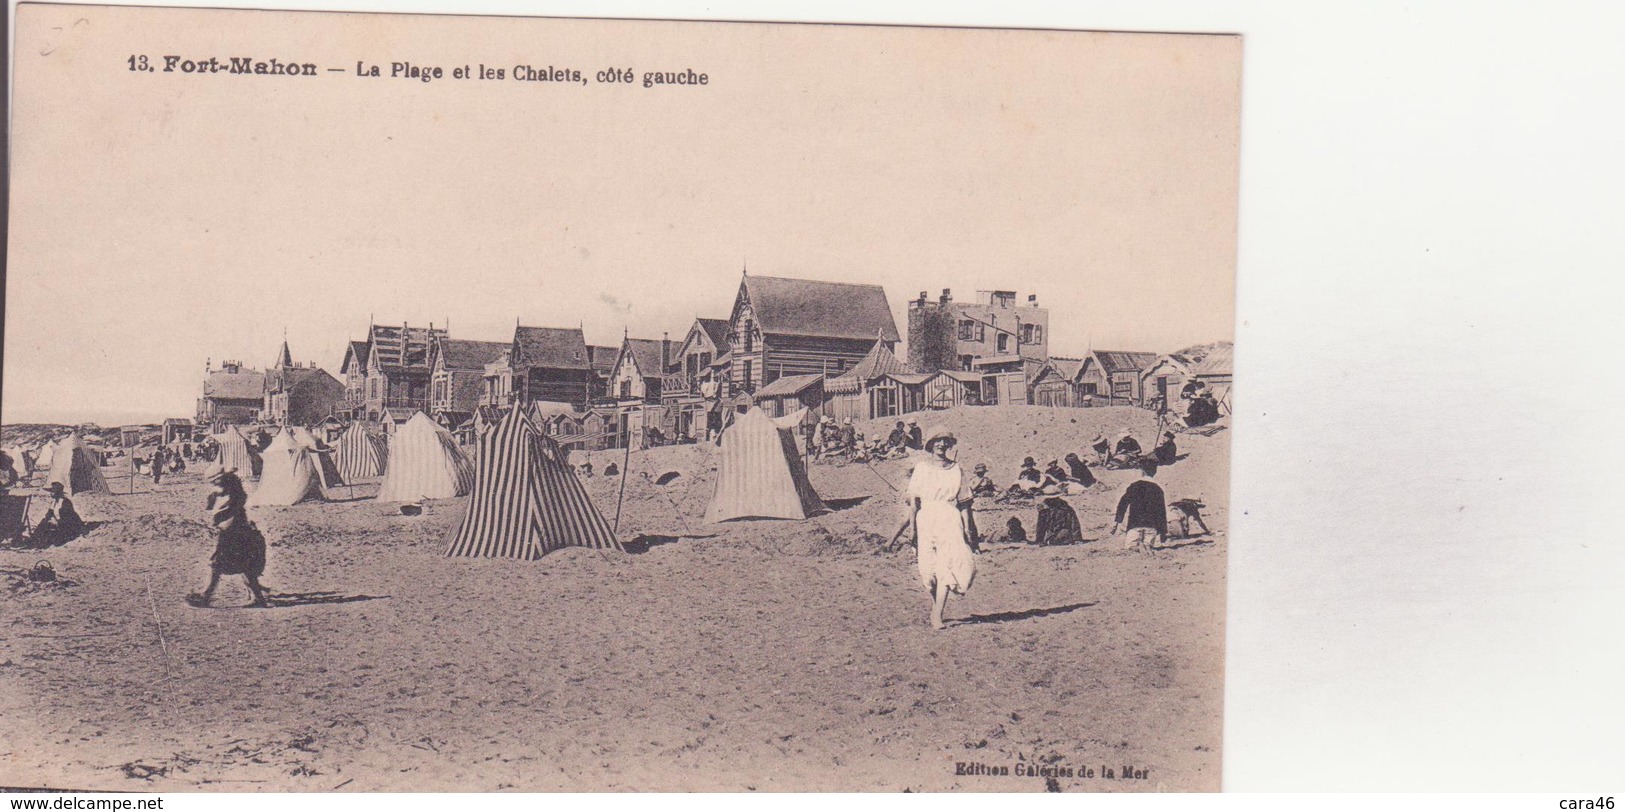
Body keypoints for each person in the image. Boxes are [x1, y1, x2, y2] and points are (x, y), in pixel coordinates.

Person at [893, 426, 976, 630]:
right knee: (928, 572)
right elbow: (914, 504)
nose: (941, 444)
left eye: (945, 441)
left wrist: (968, 529)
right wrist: (912, 529)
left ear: (949, 445)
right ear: (930, 445)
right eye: (937, 441)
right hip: (926, 519)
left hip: (950, 518)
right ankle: (935, 606)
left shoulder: (957, 469)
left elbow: (965, 504)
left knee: (947, 566)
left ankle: (937, 614)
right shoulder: (922, 468)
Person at [188, 469, 269, 607]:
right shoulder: (234, 499)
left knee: (219, 566)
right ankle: (259, 599)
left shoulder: (233, 505)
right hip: (239, 537)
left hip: (233, 538)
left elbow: (227, 526)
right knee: (246, 569)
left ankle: (206, 597)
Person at [1112, 458, 1168, 554]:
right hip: (1151, 527)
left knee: (1131, 547)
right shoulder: (1158, 489)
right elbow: (1161, 512)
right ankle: (1147, 546)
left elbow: (1123, 504)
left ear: (1142, 471)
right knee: (1148, 544)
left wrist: (1117, 521)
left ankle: (1138, 548)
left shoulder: (1134, 486)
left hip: (1135, 525)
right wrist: (1163, 532)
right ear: (1155, 472)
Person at [31, 482, 85, 547]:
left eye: (53, 492)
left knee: (54, 538)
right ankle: (34, 540)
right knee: (44, 524)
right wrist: (47, 521)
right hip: (58, 524)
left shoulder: (65, 502)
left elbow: (68, 518)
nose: (51, 494)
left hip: (68, 526)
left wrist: (56, 523)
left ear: (58, 493)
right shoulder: (54, 502)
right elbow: (48, 514)